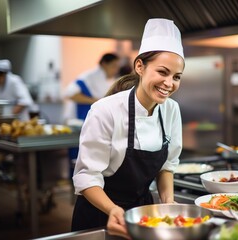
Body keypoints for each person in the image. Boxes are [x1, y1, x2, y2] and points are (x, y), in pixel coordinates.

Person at [71, 18, 184, 239]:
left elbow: (167, 166)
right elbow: (87, 177)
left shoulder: (171, 110)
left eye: (176, 77)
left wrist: (167, 202)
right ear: (140, 66)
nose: (169, 83)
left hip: (143, 214)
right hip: (100, 214)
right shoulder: (105, 110)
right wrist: (113, 209)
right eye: (163, 72)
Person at [64, 53, 120, 121]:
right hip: (79, 120)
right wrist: (97, 101)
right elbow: (70, 94)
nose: (116, 70)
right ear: (104, 64)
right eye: (114, 66)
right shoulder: (89, 78)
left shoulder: (109, 80)